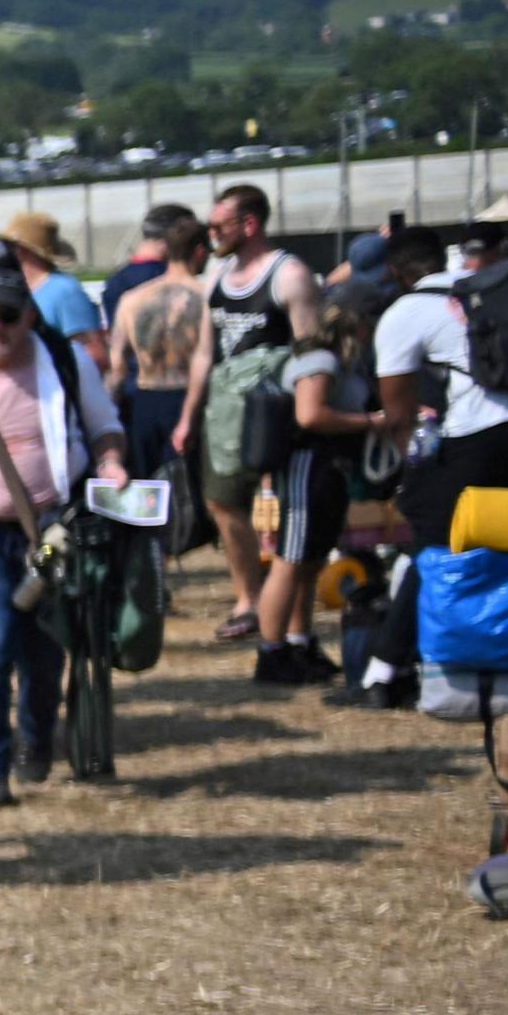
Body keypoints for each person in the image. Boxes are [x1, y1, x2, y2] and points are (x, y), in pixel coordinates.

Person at [356, 218, 508, 702]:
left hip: (485, 435)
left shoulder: (407, 310)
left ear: (397, 273)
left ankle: (386, 670)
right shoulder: (495, 290)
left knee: (434, 538)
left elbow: (398, 414)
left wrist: (412, 471)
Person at [0, 268, 131, 806]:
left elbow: (104, 425)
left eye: (9, 315)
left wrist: (111, 462)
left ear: (31, 317)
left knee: (45, 652)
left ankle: (36, 738)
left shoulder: (65, 363)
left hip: (55, 529)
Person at [187, 184, 322, 644]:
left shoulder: (289, 275)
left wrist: (309, 414)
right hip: (225, 414)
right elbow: (206, 353)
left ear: (250, 224)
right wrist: (189, 417)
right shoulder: (218, 278)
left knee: (289, 513)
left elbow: (312, 350)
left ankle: (293, 624)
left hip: (276, 412)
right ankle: (247, 598)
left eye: (218, 226)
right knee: (221, 502)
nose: (211, 234)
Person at [250, 292, 377, 686]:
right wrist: (372, 421)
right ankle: (271, 652)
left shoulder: (336, 362)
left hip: (325, 468)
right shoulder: (320, 361)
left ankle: (298, 641)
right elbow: (310, 414)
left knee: (308, 561)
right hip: (307, 465)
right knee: (291, 559)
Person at [109, 213, 209, 489]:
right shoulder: (206, 296)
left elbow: (117, 367)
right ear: (200, 252)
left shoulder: (131, 300)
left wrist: (110, 417)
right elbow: (207, 357)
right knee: (190, 489)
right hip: (189, 398)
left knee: (145, 489)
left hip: (144, 400)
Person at [7, 212, 110, 376]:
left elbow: (95, 355)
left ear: (20, 251)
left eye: (8, 247)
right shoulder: (16, 289)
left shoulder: (65, 291)